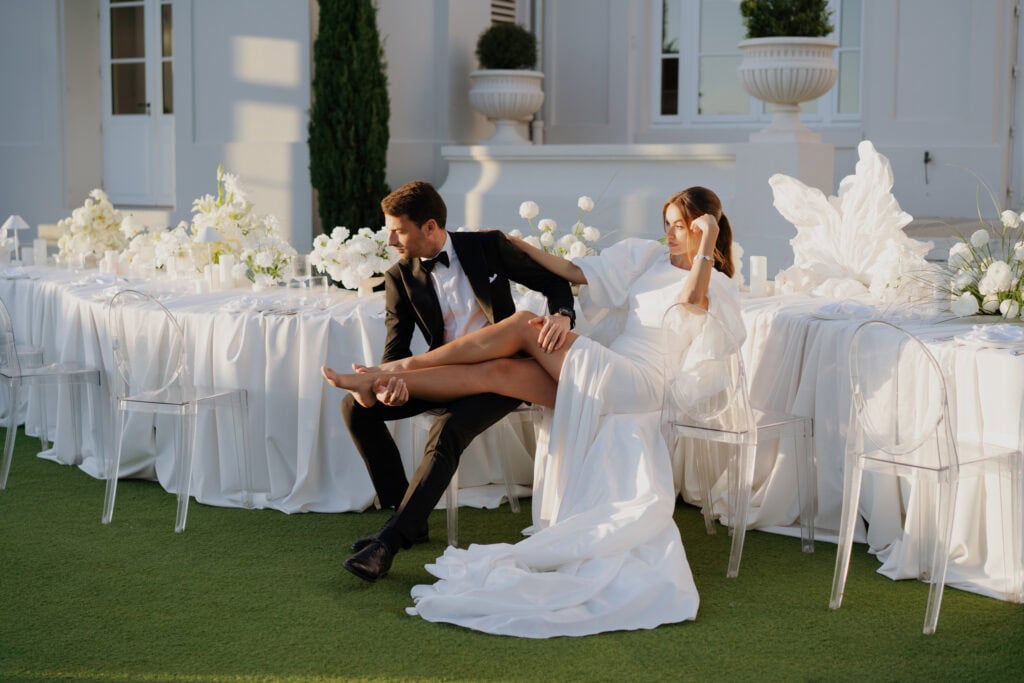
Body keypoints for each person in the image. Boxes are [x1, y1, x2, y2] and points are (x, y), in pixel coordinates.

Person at [323, 186, 746, 637]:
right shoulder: (646, 258)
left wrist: (707, 242)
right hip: (608, 369)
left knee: (527, 326)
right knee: (500, 372)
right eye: (667, 224)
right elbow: (571, 270)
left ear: (704, 226)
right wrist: (512, 243)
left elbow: (691, 304)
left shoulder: (714, 283)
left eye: (680, 226)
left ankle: (390, 370)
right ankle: (387, 380)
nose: (669, 233)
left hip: (639, 382)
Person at [338, 180, 576, 583]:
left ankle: (389, 544)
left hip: (502, 376)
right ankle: (407, 515)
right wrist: (389, 384)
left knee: (447, 429)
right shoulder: (400, 277)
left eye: (398, 229)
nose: (390, 238)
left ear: (429, 227)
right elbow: (396, 348)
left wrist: (562, 315)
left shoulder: (486, 248)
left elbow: (553, 281)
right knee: (357, 409)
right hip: (442, 373)